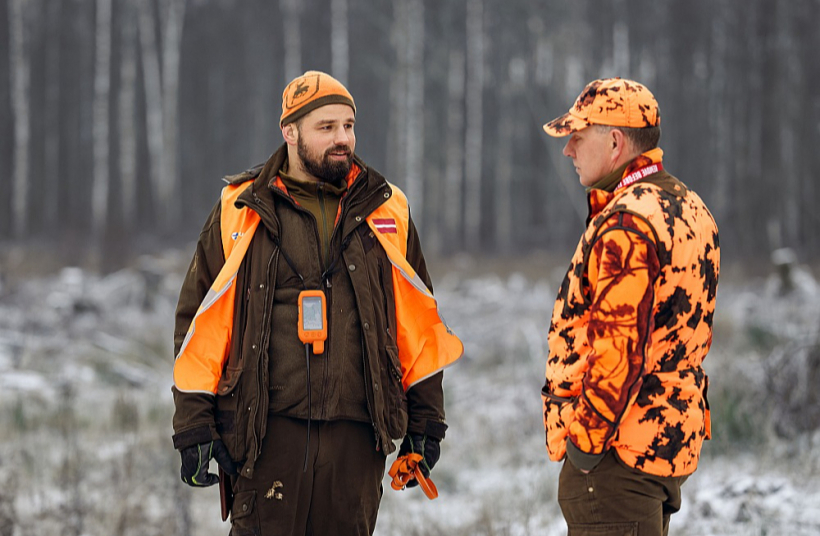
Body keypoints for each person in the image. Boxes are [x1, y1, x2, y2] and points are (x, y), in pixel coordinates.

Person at [171, 70, 462, 535]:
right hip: (266, 435)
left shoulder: (388, 209)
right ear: (290, 132)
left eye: (348, 125)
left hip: (356, 435)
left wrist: (426, 420)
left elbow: (418, 322)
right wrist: (193, 422)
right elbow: (200, 324)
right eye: (326, 127)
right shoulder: (239, 209)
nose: (342, 138)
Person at [540, 78, 720, 536]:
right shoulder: (688, 207)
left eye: (578, 138)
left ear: (615, 142)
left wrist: (583, 450)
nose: (569, 150)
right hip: (664, 443)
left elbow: (618, 352)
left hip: (617, 457)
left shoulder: (627, 224)